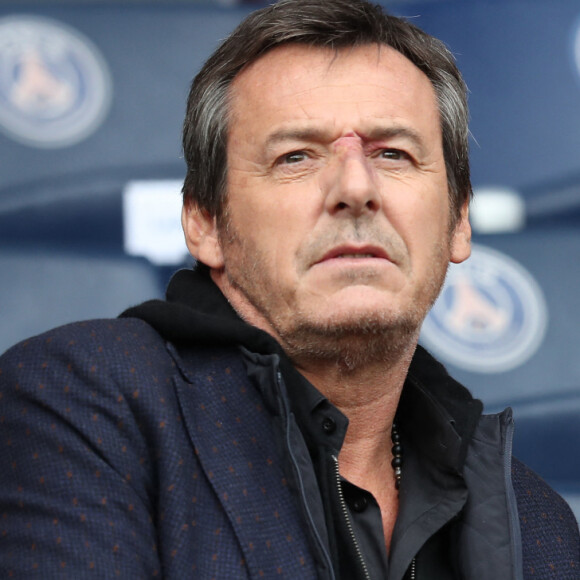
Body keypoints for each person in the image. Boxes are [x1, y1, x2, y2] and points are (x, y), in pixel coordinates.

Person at [1, 0, 578, 578]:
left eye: (393, 154)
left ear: (458, 221)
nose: (356, 186)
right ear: (204, 222)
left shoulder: (541, 527)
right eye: (296, 156)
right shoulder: (82, 405)